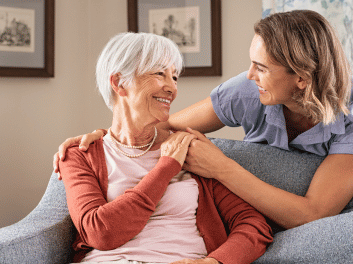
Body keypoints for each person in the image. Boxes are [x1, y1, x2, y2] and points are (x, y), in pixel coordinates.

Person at [55, 10, 353, 231]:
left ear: (301, 78)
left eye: (262, 67)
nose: (249, 74)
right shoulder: (248, 90)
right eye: (251, 62)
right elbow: (161, 128)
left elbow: (314, 214)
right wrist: (105, 137)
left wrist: (221, 167)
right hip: (246, 220)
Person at [59, 32, 272, 264]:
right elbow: (100, 233)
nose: (172, 88)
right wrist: (166, 168)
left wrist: (213, 262)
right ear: (119, 83)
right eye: (160, 74)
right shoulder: (79, 155)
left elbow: (253, 224)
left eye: (175, 77)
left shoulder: (190, 149)